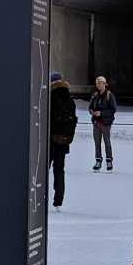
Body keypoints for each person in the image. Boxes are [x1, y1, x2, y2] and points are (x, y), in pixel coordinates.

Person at [49, 72, 77, 208]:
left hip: (50, 139)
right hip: (64, 140)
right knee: (59, 170)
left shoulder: (50, 96)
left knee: (42, 170)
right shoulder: (70, 99)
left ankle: (38, 197)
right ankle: (58, 200)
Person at [89, 75, 116, 172]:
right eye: (97, 83)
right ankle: (98, 161)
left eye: (100, 83)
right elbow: (90, 107)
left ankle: (109, 161)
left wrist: (102, 113)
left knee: (107, 142)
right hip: (96, 122)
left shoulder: (109, 95)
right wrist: (92, 112)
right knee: (97, 143)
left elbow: (113, 109)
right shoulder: (95, 95)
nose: (98, 85)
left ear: (104, 84)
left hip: (106, 123)